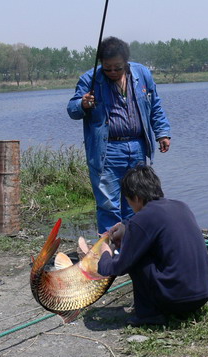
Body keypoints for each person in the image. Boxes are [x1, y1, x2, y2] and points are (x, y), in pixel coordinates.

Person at [67, 37, 171, 235]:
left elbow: (155, 106)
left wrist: (162, 133)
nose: (113, 72)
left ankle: (134, 245)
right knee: (109, 204)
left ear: (126, 62)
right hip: (108, 151)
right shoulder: (89, 79)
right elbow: (72, 110)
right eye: (108, 68)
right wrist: (83, 103)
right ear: (101, 64)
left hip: (138, 147)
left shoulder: (142, 74)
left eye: (118, 67)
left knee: (137, 199)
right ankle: (110, 253)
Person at [95, 164, 208, 326]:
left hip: (178, 300)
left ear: (137, 198)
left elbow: (115, 268)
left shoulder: (141, 220)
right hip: (206, 292)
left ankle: (149, 315)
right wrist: (126, 227)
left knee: (136, 256)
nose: (130, 206)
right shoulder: (181, 206)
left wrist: (105, 253)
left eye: (129, 201)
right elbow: (153, 226)